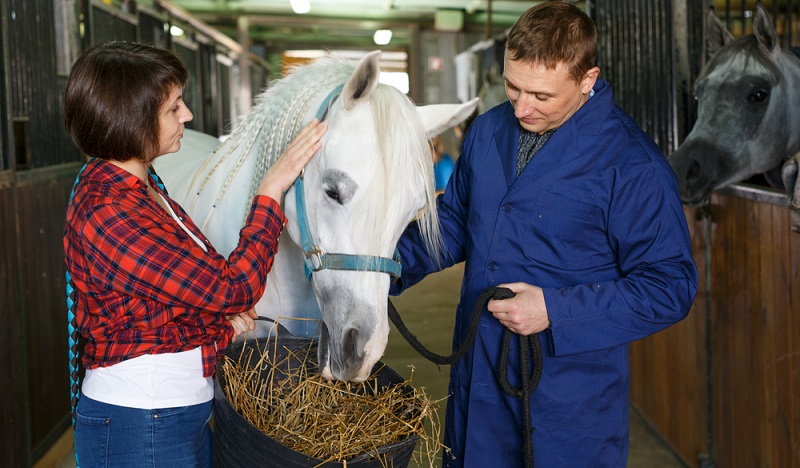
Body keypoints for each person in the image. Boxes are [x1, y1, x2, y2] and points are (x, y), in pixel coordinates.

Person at [390, 2, 698, 467]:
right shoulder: (490, 130)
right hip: (479, 372)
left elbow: (670, 286)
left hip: (566, 393)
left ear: (587, 80)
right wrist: (380, 269)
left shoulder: (632, 165)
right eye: (513, 87)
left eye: (541, 95)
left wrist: (555, 309)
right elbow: (453, 223)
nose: (522, 106)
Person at [63, 41, 326, 467]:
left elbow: (160, 311)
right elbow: (233, 287)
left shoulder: (146, 187)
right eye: (174, 107)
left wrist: (218, 325)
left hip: (171, 415)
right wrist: (270, 191)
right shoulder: (111, 212)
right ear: (131, 117)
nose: (187, 115)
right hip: (142, 422)